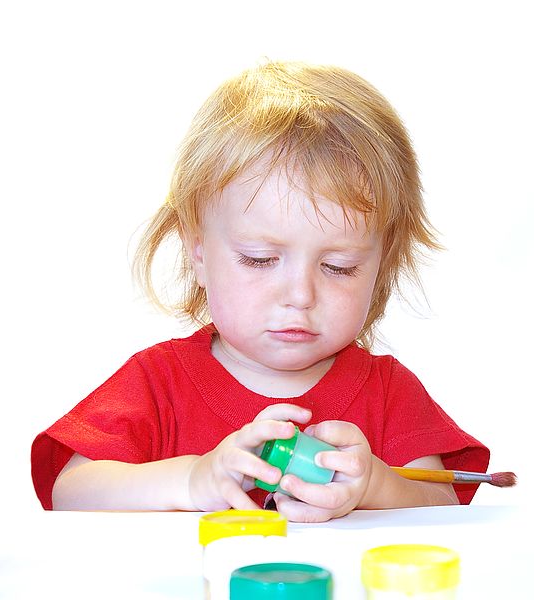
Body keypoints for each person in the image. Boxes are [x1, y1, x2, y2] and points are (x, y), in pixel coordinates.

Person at [31, 61, 489, 522]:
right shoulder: (157, 383)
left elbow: (445, 509)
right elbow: (70, 492)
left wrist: (375, 484)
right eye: (259, 259)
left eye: (339, 266)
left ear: (380, 264)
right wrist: (194, 479)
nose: (300, 295)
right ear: (198, 250)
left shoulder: (389, 394)